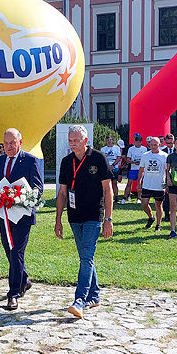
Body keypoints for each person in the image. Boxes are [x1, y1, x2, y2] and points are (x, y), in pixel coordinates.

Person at [55, 125, 113, 319]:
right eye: (70, 140)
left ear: (85, 140)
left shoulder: (98, 158)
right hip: (74, 215)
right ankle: (94, 295)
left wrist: (108, 219)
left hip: (94, 215)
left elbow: (108, 190)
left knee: (86, 257)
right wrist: (58, 220)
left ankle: (79, 300)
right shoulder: (66, 162)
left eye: (76, 140)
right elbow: (62, 192)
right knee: (85, 256)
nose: (72, 144)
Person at [0, 128, 43, 311]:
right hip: (4, 216)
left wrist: (19, 198)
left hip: (22, 216)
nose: (8, 147)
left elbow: (38, 188)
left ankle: (13, 294)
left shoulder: (30, 161)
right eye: (5, 143)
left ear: (20, 142)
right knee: (9, 251)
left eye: (12, 143)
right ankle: (24, 279)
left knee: (16, 252)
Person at [137, 136, 168, 231]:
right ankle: (151, 217)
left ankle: (158, 224)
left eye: (155, 145)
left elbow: (167, 170)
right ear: (149, 145)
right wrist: (139, 182)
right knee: (144, 203)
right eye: (152, 145)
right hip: (147, 184)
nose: (153, 147)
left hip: (159, 184)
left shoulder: (164, 156)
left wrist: (167, 182)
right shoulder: (145, 155)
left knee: (158, 204)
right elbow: (141, 169)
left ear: (160, 144)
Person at [123, 133, 147, 202]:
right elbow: (128, 159)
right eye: (137, 142)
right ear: (135, 142)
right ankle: (125, 197)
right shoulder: (131, 149)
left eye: (140, 142)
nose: (138, 143)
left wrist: (141, 162)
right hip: (133, 168)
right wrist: (134, 162)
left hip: (141, 169)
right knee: (129, 183)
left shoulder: (144, 149)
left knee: (140, 183)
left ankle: (139, 198)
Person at [101, 134, 123, 203]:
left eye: (110, 140)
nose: (109, 141)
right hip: (106, 167)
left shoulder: (116, 148)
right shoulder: (103, 149)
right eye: (107, 140)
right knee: (106, 183)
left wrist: (113, 165)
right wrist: (107, 166)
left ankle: (116, 197)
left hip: (114, 167)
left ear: (112, 141)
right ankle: (105, 197)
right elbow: (102, 159)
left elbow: (119, 157)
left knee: (114, 182)